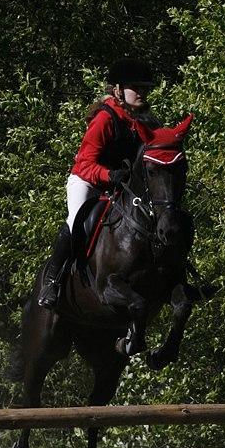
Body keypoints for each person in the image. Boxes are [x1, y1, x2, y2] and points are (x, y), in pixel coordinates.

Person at [37, 57, 158, 308]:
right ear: (117, 90)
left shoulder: (144, 120)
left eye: (145, 88)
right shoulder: (105, 118)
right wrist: (109, 175)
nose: (142, 93)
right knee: (75, 223)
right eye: (136, 88)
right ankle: (52, 281)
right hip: (88, 182)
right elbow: (84, 164)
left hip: (120, 187)